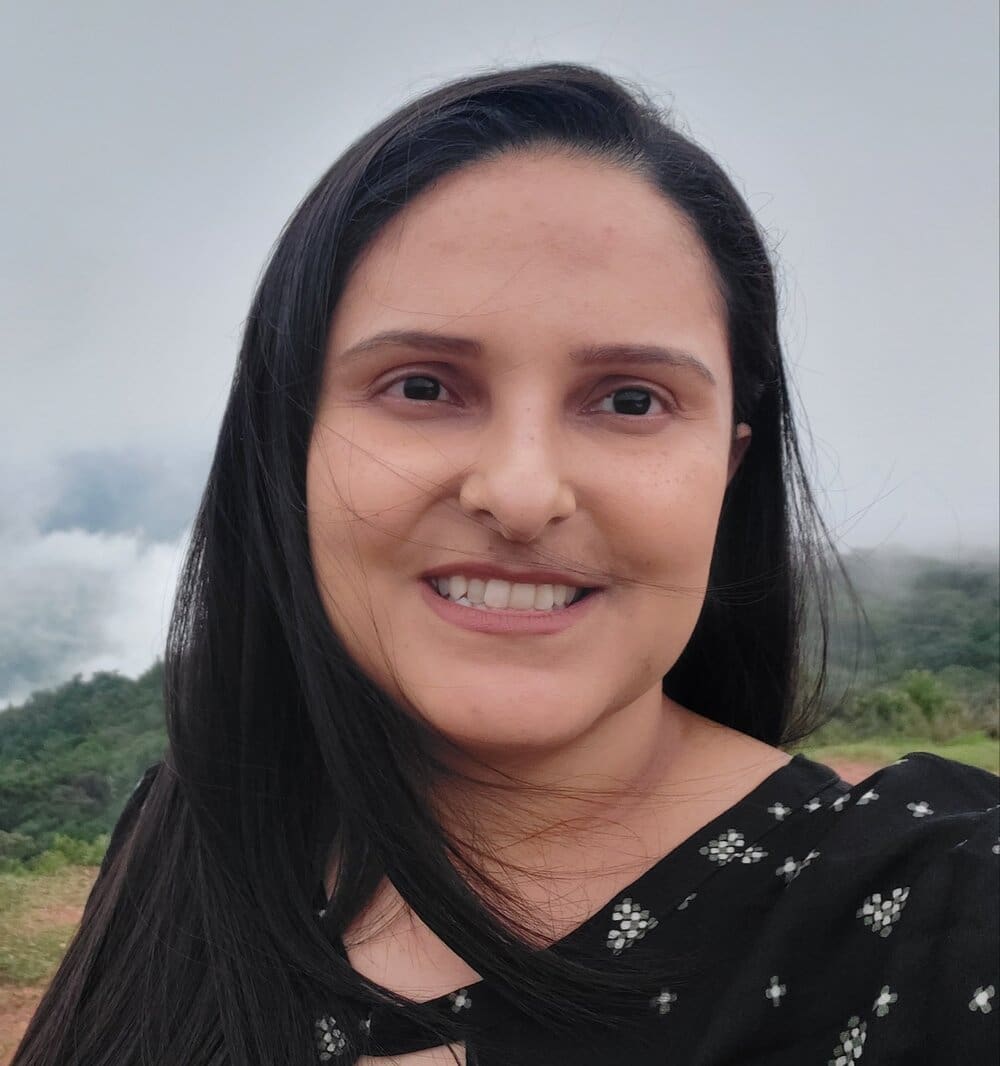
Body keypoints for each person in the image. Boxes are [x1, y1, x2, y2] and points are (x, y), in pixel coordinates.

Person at [13, 63, 998, 1066]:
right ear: (291, 439)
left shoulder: (939, 908)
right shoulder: (205, 815)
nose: (523, 493)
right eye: (423, 385)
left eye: (628, 400)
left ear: (727, 469)